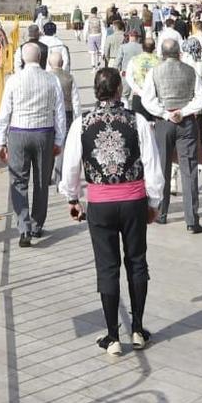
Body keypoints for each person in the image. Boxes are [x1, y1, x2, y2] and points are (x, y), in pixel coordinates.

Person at [60, 67, 164, 356]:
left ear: (96, 91)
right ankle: (138, 329)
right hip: (133, 200)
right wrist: (153, 202)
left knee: (107, 266)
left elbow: (71, 166)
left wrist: (73, 197)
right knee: (137, 261)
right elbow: (152, 164)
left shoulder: (82, 123)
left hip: (101, 202)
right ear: (120, 90)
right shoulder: (137, 121)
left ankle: (112, 335)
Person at [0, 39, 69, 245]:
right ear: (40, 58)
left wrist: (1, 140)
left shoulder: (13, 80)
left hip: (18, 132)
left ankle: (23, 226)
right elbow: (60, 113)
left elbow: (5, 112)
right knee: (40, 181)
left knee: (18, 180)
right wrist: (59, 139)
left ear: (21, 58)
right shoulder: (51, 80)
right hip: (43, 133)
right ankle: (37, 225)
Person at [141, 31, 202, 233]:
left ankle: (161, 213)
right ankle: (192, 220)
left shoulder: (155, 72)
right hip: (186, 122)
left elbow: (147, 100)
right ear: (179, 53)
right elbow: (201, 99)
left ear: (162, 53)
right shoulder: (190, 71)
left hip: (163, 122)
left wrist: (166, 113)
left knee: (162, 168)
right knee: (189, 170)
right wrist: (183, 111)